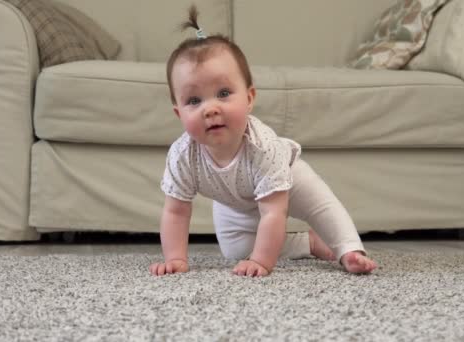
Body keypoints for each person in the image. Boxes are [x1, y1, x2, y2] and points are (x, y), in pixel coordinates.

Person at [149, 6, 377, 277]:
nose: (210, 109)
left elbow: (272, 213)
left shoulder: (263, 146)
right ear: (178, 113)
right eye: (194, 101)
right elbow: (176, 212)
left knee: (324, 208)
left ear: (249, 98)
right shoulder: (183, 155)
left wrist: (260, 262)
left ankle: (350, 250)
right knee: (235, 248)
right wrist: (175, 258)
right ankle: (308, 243)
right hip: (234, 199)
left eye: (223, 93)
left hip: (288, 180)